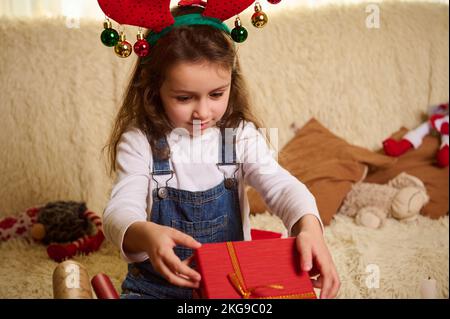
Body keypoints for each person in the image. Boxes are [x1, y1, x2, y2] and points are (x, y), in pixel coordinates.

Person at [103, 3, 340, 299]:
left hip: (231, 283)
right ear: (154, 90)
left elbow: (281, 186)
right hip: (155, 289)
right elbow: (119, 210)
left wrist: (309, 226)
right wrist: (144, 234)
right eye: (184, 97)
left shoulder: (236, 136)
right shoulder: (140, 141)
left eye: (216, 94)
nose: (202, 112)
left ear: (231, 83)